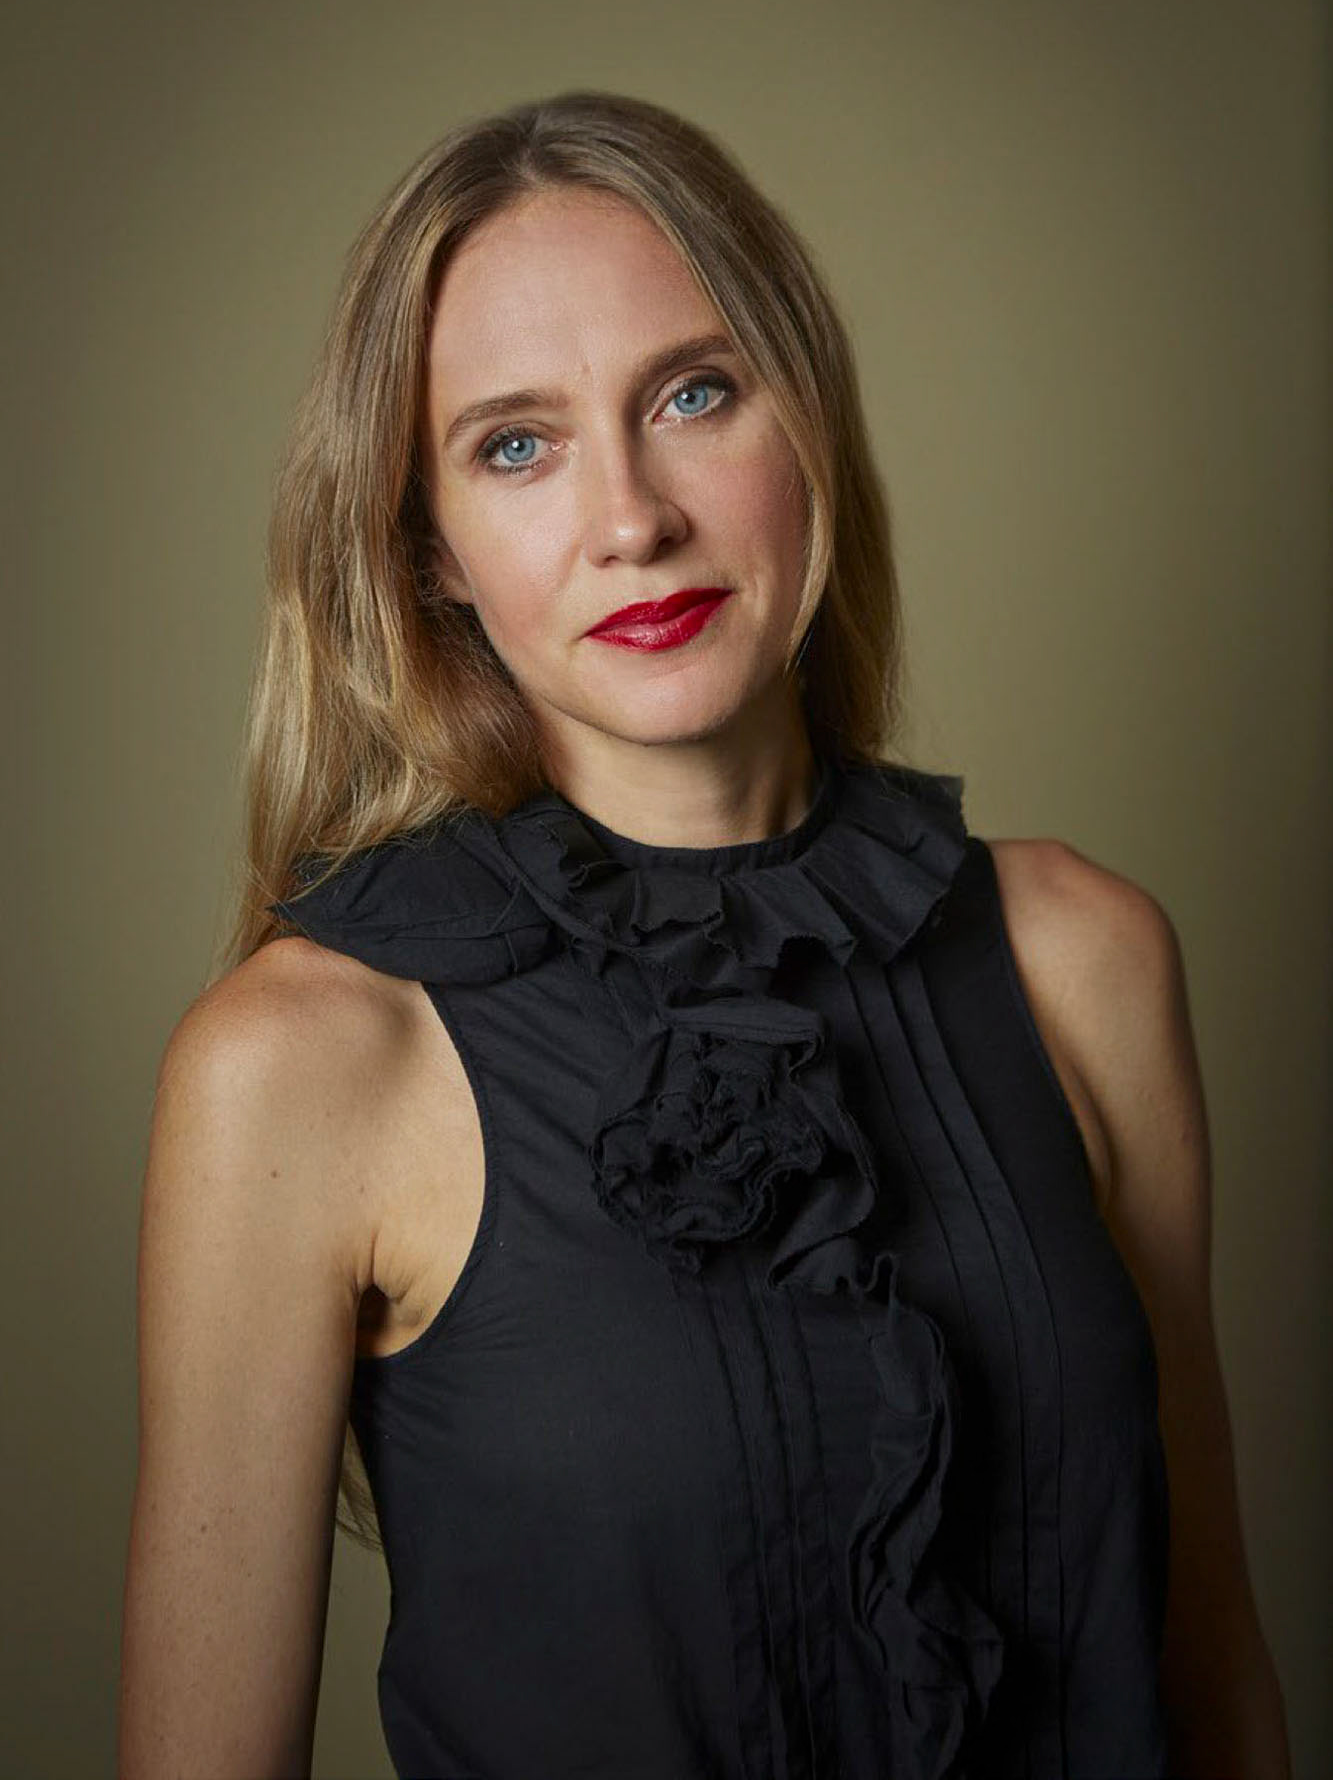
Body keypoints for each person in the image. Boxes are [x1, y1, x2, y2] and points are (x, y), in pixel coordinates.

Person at [117, 89, 1290, 1780]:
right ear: (430, 550)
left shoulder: (1084, 956)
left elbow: (1214, 1674)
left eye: (691, 393)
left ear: (803, 418)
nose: (631, 518)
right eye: (514, 445)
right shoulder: (297, 1066)